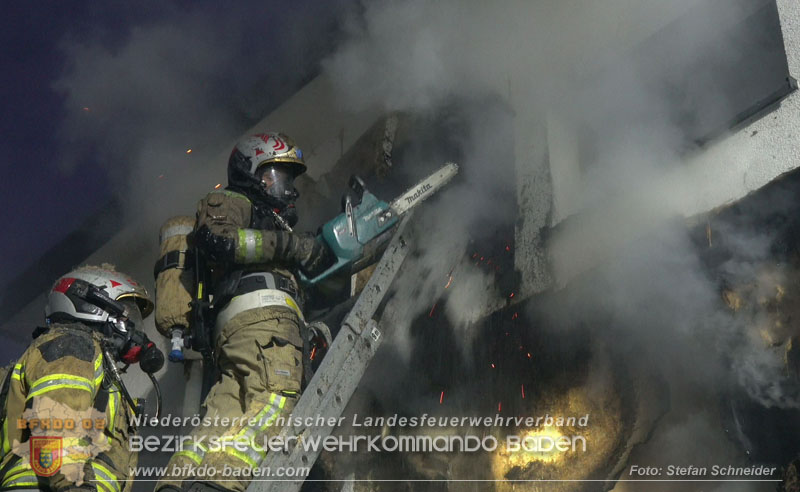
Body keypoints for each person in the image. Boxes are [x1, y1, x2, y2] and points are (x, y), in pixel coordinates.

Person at [156, 133, 333, 492]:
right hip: (263, 323)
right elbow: (220, 240)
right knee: (276, 400)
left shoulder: (267, 223)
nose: (290, 190)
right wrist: (296, 247)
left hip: (240, 332)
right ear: (255, 173)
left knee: (222, 419)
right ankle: (222, 483)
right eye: (280, 177)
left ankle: (177, 485)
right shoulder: (234, 201)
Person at [0, 264, 162, 492]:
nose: (134, 330)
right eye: (126, 315)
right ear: (92, 305)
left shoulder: (88, 359)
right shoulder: (72, 346)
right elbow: (57, 420)